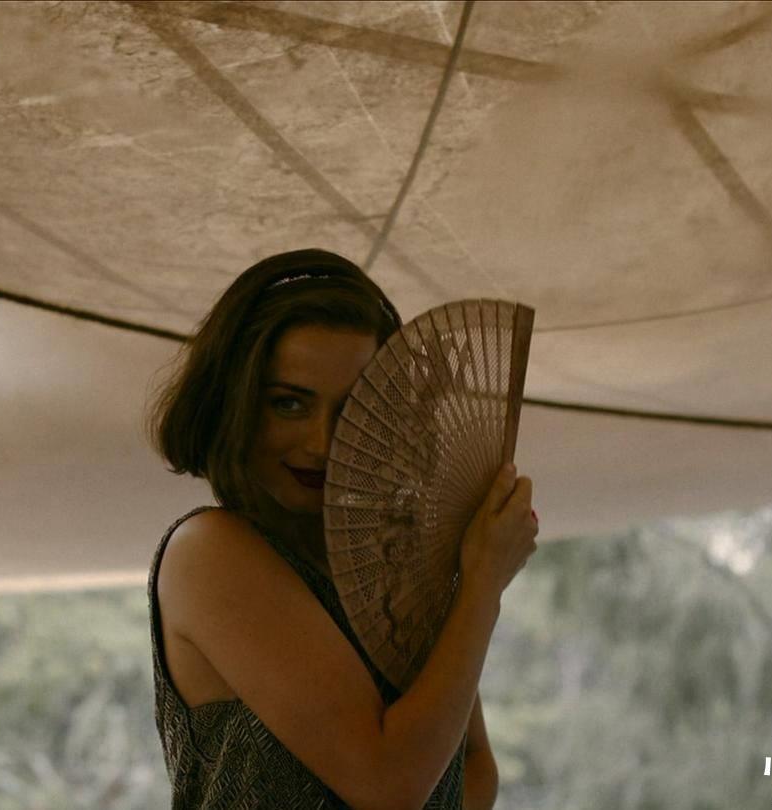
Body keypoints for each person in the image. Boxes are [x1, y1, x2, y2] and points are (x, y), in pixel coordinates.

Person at [145, 248, 539, 809]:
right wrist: (482, 583)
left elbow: (475, 765)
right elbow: (389, 785)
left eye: (355, 407)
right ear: (234, 402)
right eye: (289, 404)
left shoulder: (392, 564)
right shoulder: (209, 551)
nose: (324, 443)